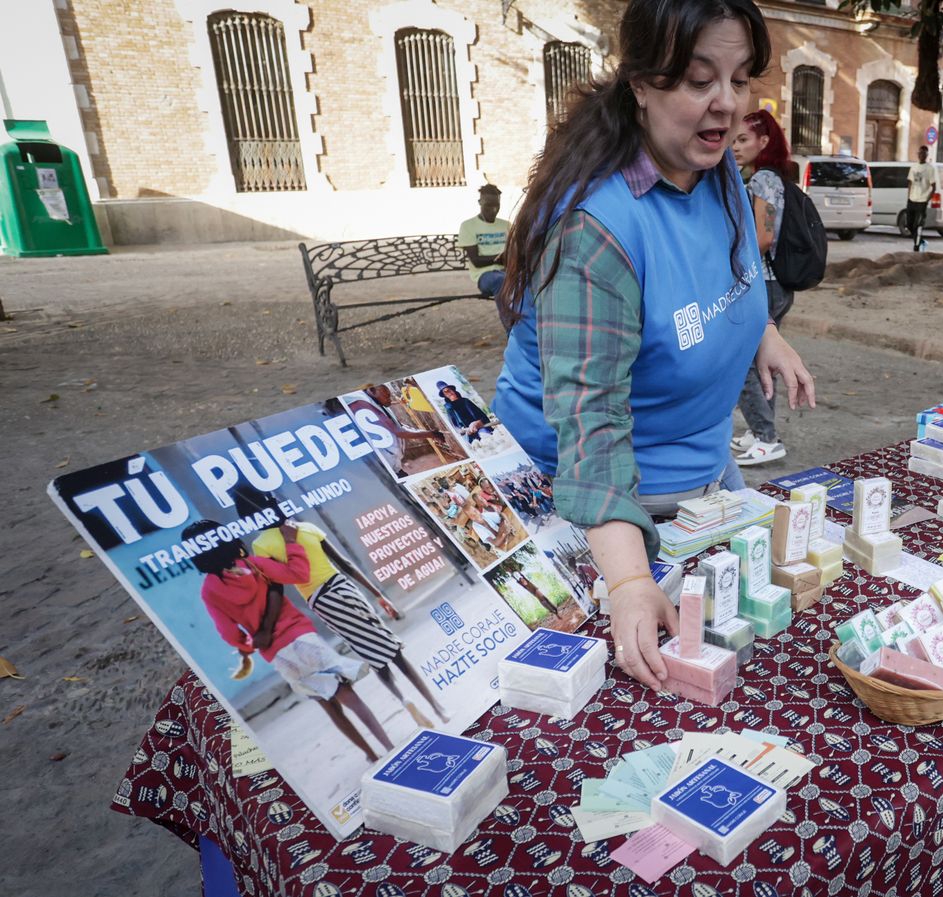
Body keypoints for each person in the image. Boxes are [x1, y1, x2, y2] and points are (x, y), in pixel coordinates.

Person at [493, 0, 815, 689]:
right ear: (640, 82)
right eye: (699, 81)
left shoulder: (715, 164)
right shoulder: (595, 232)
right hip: (593, 513)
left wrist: (762, 330)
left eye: (739, 79)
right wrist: (631, 579)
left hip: (700, 487)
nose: (726, 106)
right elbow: (592, 429)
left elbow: (727, 267)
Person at [232, 484, 450, 729]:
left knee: (369, 651)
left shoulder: (262, 545)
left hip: (322, 602)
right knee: (390, 646)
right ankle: (435, 706)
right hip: (344, 587)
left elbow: (279, 584)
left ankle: (403, 699)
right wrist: (380, 595)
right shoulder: (305, 528)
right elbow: (345, 563)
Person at [187, 518, 395, 762]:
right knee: (346, 694)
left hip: (278, 654)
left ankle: (371, 755)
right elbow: (297, 573)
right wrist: (290, 542)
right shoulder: (253, 565)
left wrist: (249, 644)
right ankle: (389, 746)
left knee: (327, 703)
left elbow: (228, 633)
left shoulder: (209, 591)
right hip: (301, 636)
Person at [729, 108, 794, 466]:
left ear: (764, 141)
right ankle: (761, 432)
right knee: (763, 362)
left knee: (742, 364)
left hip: (763, 283)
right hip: (776, 284)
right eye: (733, 140)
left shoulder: (762, 181)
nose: (735, 147)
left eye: (743, 140)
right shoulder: (769, 177)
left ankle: (767, 438)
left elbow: (764, 238)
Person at [458, 184, 510, 298]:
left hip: (508, 271)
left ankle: (526, 315)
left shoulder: (506, 225)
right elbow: (476, 261)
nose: (494, 210)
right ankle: (510, 315)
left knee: (529, 279)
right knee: (502, 281)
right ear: (480, 202)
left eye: (497, 205)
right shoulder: (468, 226)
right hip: (485, 275)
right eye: (489, 205)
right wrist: (499, 259)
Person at [906, 145, 937, 251]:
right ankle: (921, 240)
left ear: (926, 155)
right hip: (912, 199)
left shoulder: (930, 169)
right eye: (920, 153)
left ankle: (917, 245)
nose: (921, 155)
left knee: (918, 224)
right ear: (918, 154)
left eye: (924, 153)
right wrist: (909, 196)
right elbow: (910, 182)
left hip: (922, 200)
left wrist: (927, 199)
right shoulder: (913, 167)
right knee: (909, 224)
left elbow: (933, 186)